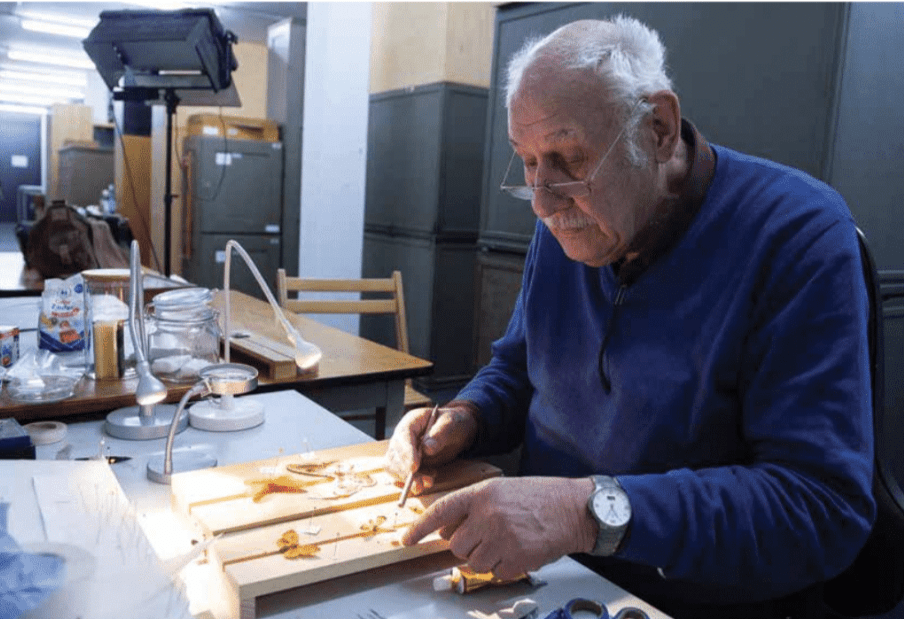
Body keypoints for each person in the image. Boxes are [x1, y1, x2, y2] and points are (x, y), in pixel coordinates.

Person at [384, 15, 876, 619]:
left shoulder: (797, 234)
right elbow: (519, 368)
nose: (542, 201)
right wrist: (466, 416)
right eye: (528, 163)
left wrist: (583, 513)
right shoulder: (572, 219)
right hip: (553, 583)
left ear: (659, 129)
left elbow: (821, 507)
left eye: (567, 157)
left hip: (692, 599)